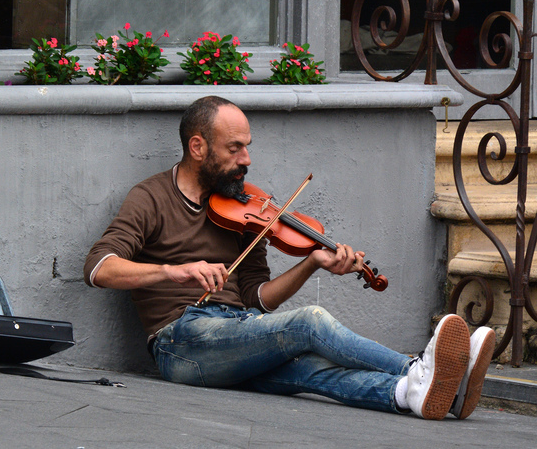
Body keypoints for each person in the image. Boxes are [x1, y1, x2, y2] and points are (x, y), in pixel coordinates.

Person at [83, 95, 496, 419]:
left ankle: (414, 395)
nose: (246, 159)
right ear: (197, 146)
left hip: (240, 330)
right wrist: (174, 272)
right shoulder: (150, 197)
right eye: (235, 148)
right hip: (182, 341)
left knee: (309, 370)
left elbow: (258, 299)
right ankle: (418, 368)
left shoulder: (244, 208)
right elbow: (99, 268)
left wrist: (312, 261)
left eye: (248, 147)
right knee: (310, 321)